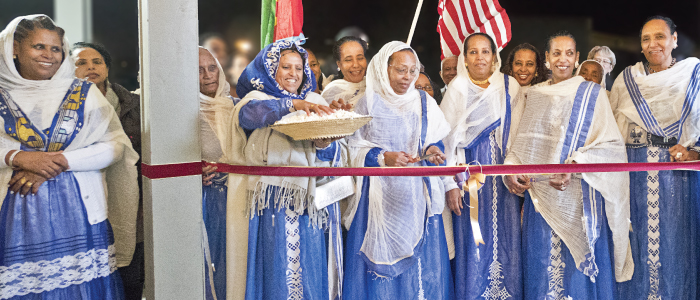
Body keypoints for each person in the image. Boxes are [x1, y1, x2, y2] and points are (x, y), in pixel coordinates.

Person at [0, 14, 139, 299]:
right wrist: (16, 157)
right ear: (14, 48)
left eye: (56, 48)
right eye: (39, 46)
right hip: (15, 216)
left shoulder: (84, 92)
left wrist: (60, 162)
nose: (49, 55)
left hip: (79, 212)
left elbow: (114, 145)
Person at [503, 31, 633, 299]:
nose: (563, 59)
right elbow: (522, 143)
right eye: (557, 53)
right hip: (541, 197)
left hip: (579, 196)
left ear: (576, 59)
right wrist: (510, 170)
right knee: (542, 268)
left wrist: (574, 164)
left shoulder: (592, 94)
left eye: (569, 54)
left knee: (576, 276)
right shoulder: (535, 94)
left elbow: (611, 146)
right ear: (547, 59)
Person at [230, 39, 345, 300]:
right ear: (270, 71)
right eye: (285, 67)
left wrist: (328, 129)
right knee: (276, 265)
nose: (294, 74)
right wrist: (292, 106)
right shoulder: (257, 99)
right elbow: (250, 116)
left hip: (309, 203)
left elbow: (324, 153)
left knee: (310, 264)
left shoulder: (314, 100)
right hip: (272, 203)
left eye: (298, 67)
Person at [344, 41, 454, 299]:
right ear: (385, 68)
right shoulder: (366, 102)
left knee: (422, 273)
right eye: (400, 70)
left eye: (412, 70)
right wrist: (382, 157)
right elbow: (352, 146)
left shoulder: (425, 101)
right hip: (376, 199)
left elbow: (433, 139)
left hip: (417, 196)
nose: (407, 77)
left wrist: (434, 151)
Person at [609, 15, 700, 300]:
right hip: (633, 170)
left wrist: (694, 151)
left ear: (674, 39)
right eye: (646, 39)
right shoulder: (627, 79)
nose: (653, 44)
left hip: (677, 171)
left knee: (675, 241)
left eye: (660, 36)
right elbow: (610, 127)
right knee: (634, 239)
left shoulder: (692, 73)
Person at [441, 32, 522, 300]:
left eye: (485, 51)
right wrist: (450, 184)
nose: (479, 58)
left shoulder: (510, 87)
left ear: (494, 56)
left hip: (505, 176)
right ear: (464, 58)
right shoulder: (456, 90)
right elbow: (446, 142)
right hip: (467, 177)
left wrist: (515, 170)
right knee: (473, 241)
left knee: (508, 239)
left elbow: (521, 136)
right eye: (473, 52)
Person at [72, 41, 144, 300]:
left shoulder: (133, 104)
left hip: (129, 196)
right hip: (83, 196)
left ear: (107, 68)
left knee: (131, 269)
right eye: (81, 63)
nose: (90, 67)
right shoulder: (65, 109)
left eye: (97, 62)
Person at [198, 47, 238, 300]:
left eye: (212, 67)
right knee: (210, 261)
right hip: (206, 202)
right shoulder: (183, 112)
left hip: (239, 197)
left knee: (237, 261)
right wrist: (193, 172)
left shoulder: (235, 106)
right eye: (198, 70)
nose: (207, 75)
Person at [322, 36, 368, 110]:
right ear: (339, 64)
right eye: (348, 60)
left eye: (360, 58)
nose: (355, 65)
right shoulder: (332, 92)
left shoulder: (375, 86)